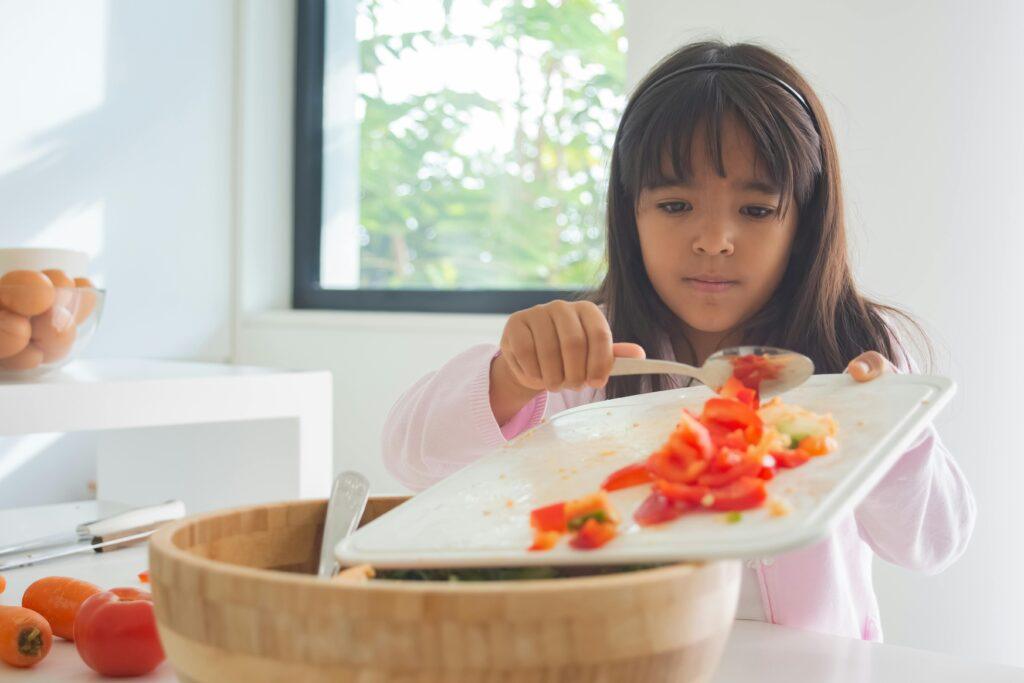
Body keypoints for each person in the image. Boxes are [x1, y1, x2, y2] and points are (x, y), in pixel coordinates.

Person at [381, 40, 975, 642]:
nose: (715, 239)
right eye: (674, 203)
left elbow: (933, 544)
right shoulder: (592, 356)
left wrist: (889, 427)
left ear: (805, 220)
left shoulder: (857, 353)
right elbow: (412, 460)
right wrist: (512, 376)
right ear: (628, 213)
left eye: (756, 209)